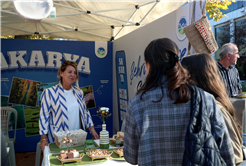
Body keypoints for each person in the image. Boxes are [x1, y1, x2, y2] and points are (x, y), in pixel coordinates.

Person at [123, 38, 235, 166]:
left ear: (149, 65)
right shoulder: (206, 98)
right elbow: (226, 152)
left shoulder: (136, 104)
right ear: (177, 62)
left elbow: (131, 157)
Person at [181, 53, 243, 165]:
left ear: (191, 77)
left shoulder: (214, 107)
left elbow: (235, 155)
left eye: (183, 74)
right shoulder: (205, 104)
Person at [39, 60, 99, 152]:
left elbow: (85, 112)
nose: (73, 75)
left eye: (75, 73)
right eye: (69, 72)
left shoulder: (79, 92)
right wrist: (43, 139)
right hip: (59, 140)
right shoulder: (49, 92)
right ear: (61, 73)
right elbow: (44, 116)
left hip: (78, 139)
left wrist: (92, 130)